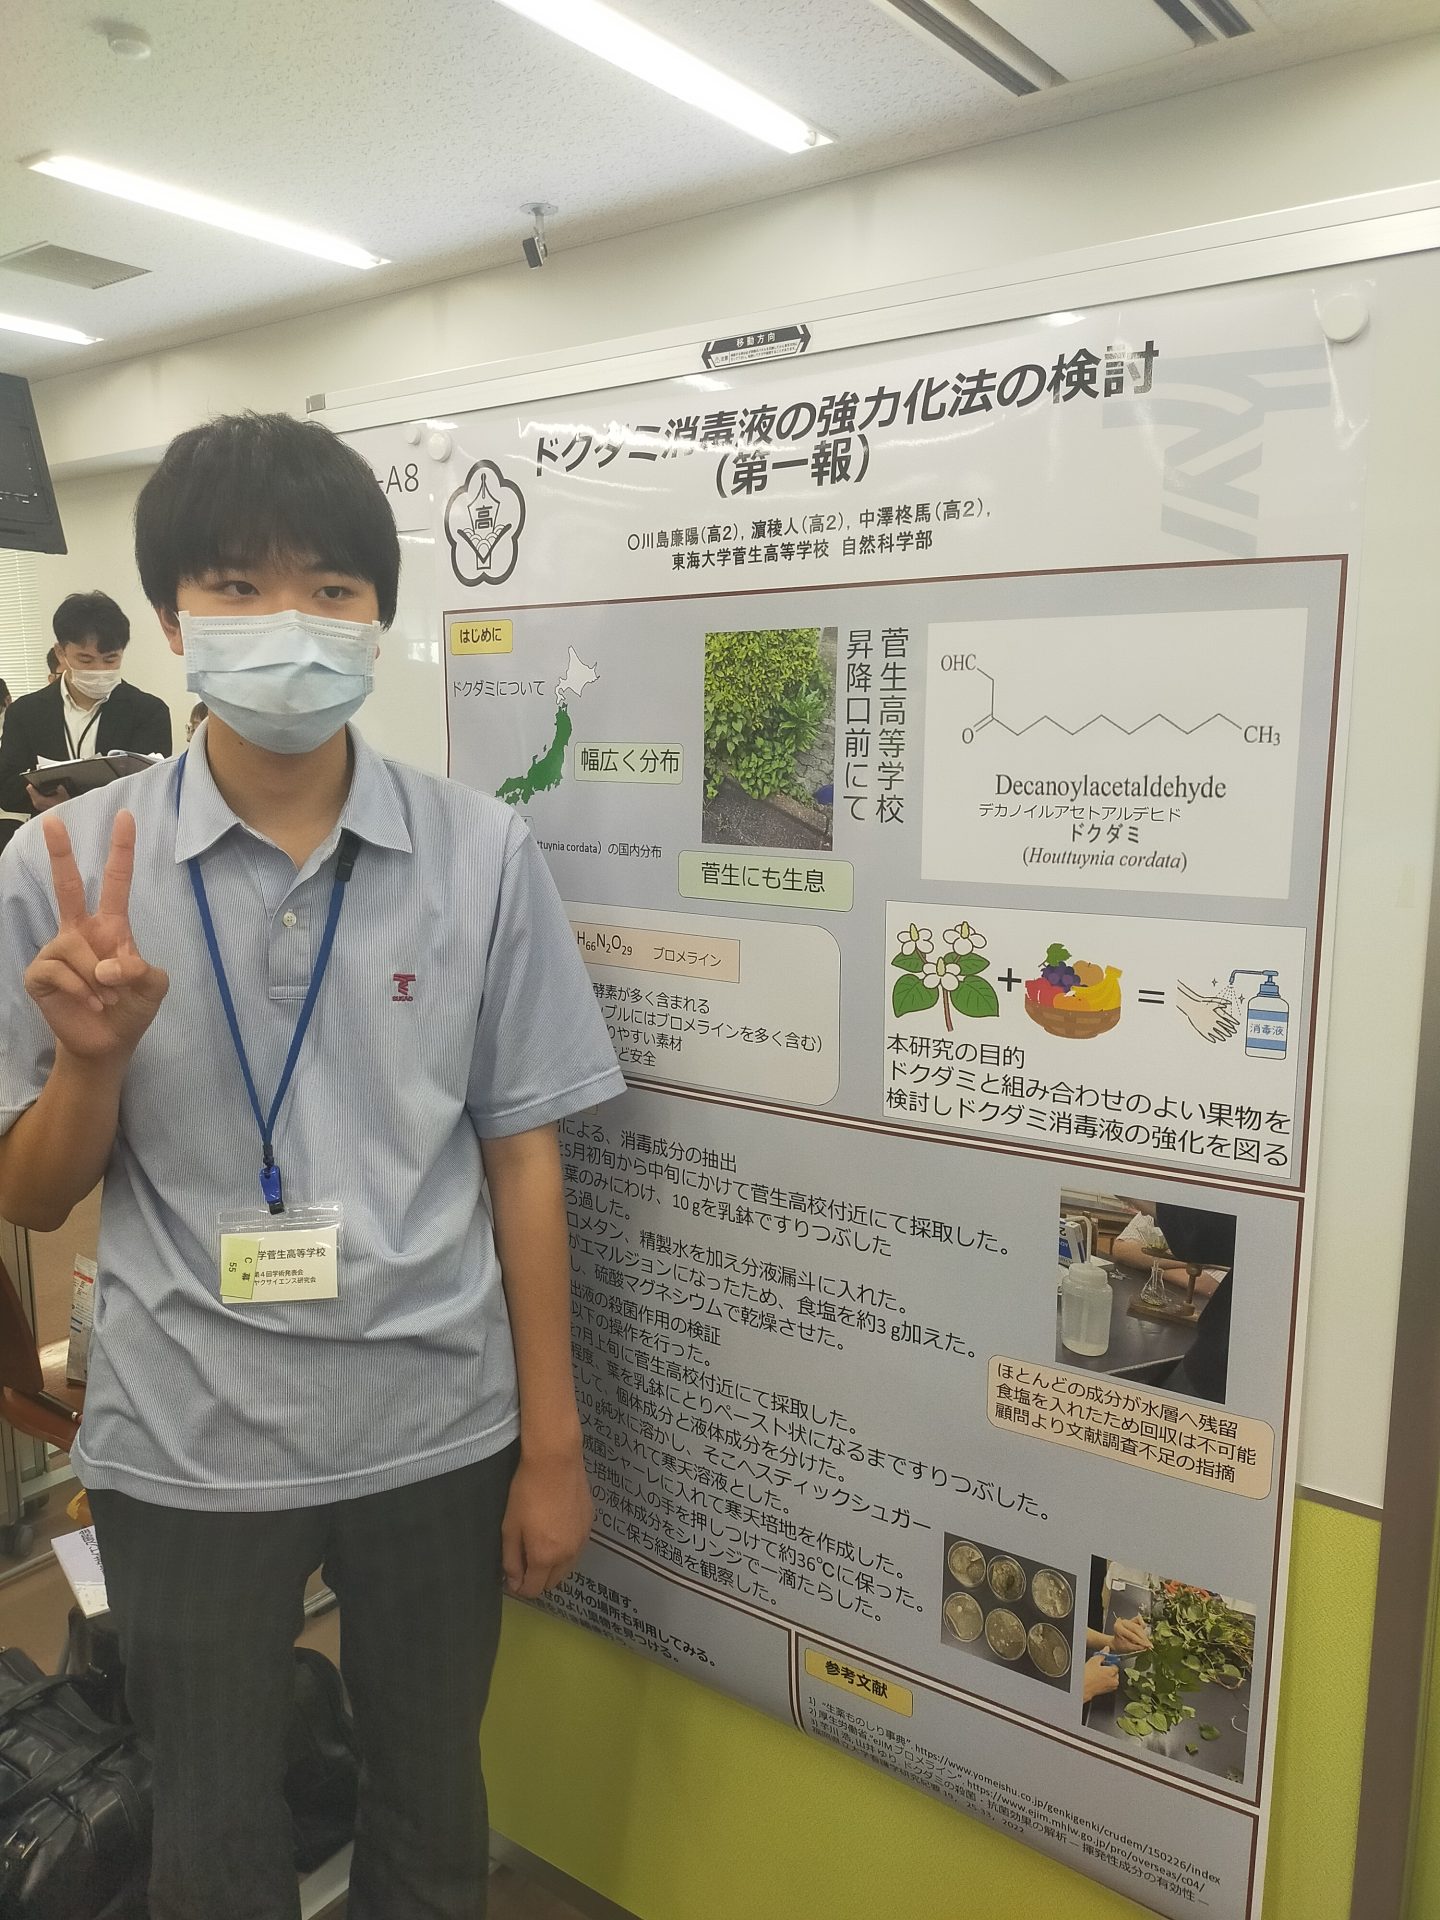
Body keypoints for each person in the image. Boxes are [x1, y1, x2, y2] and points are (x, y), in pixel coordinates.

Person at [0, 411, 626, 1920]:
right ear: (171, 619)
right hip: (188, 1441)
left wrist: (552, 1443)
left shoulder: (479, 854)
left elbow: (523, 1156)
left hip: (436, 1425)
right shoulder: (66, 870)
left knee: (431, 1802)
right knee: (210, 1825)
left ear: (377, 617)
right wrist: (93, 1060)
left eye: (331, 588)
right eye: (237, 585)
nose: (289, 621)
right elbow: (29, 1196)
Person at [0, 593, 172, 816]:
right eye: (85, 659)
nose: (99, 669)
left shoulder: (149, 712)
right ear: (61, 653)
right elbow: (7, 790)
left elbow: (155, 788)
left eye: (111, 659)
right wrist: (42, 798)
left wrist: (75, 803)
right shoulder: (25, 712)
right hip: (47, 830)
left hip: (121, 831)